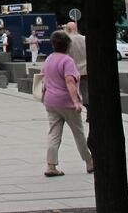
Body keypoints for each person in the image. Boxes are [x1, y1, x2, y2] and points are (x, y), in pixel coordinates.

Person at [40, 29, 94, 177]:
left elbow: (44, 78)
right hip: (66, 102)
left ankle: (51, 166)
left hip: (50, 101)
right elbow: (70, 82)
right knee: (78, 133)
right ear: (68, 45)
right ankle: (89, 162)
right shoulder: (67, 61)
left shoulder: (49, 59)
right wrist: (76, 101)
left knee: (54, 133)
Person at [62, 22, 88, 107]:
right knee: (86, 91)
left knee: (72, 90)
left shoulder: (67, 41)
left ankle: (75, 106)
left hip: (73, 70)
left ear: (69, 29)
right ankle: (89, 110)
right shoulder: (84, 38)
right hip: (86, 69)